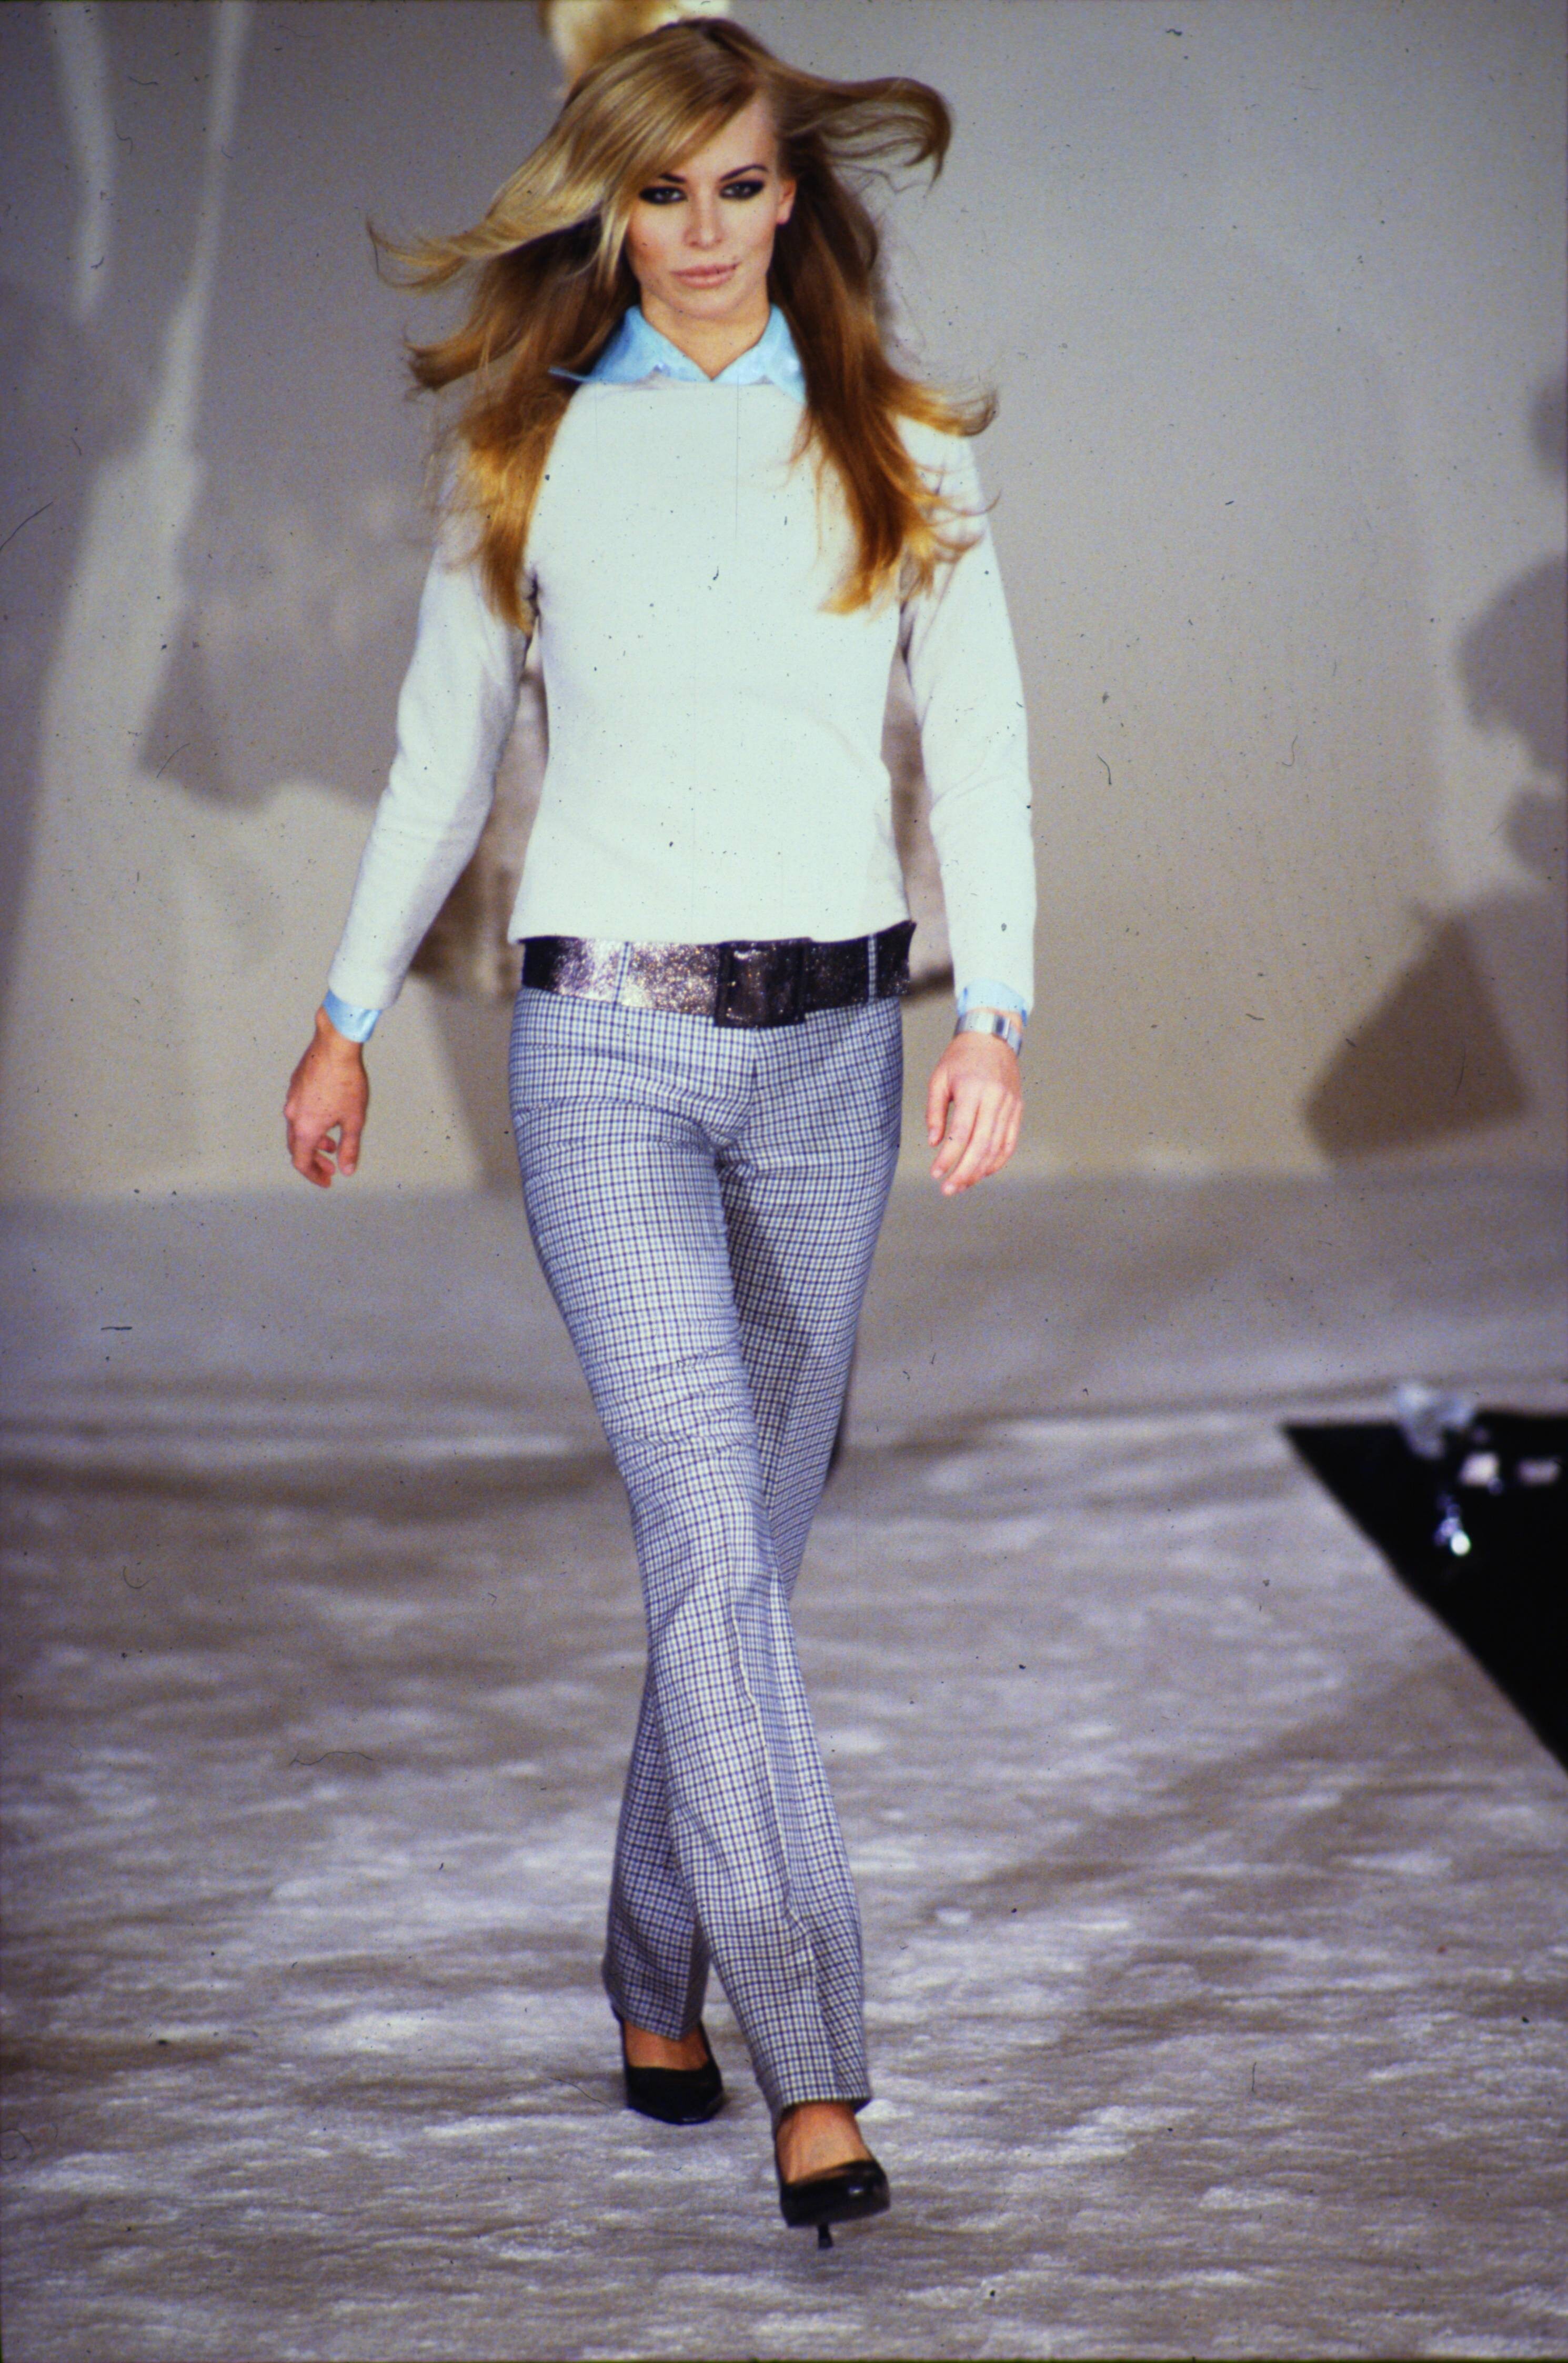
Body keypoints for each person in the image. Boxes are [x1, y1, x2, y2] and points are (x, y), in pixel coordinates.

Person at [284, 14, 1034, 2242]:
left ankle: (648, 1976)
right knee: (713, 1540)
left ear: (792, 193)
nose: (702, 232)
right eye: (658, 193)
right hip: (600, 1055)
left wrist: (997, 1015)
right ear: (605, 209)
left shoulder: (903, 444)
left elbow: (983, 743)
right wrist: (341, 1017)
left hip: (835, 1060)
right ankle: (819, 2075)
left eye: (737, 186)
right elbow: (441, 754)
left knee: (746, 1560)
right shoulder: (524, 448)